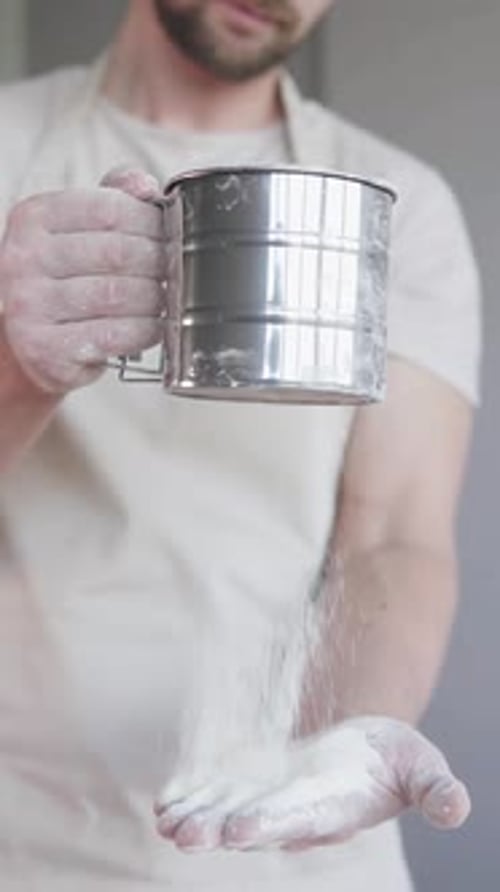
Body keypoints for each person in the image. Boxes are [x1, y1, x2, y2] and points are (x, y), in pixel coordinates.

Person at [0, 1, 481, 889]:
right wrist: (17, 365)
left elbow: (395, 538)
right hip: (35, 845)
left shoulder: (398, 206)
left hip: (307, 857)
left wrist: (352, 737)